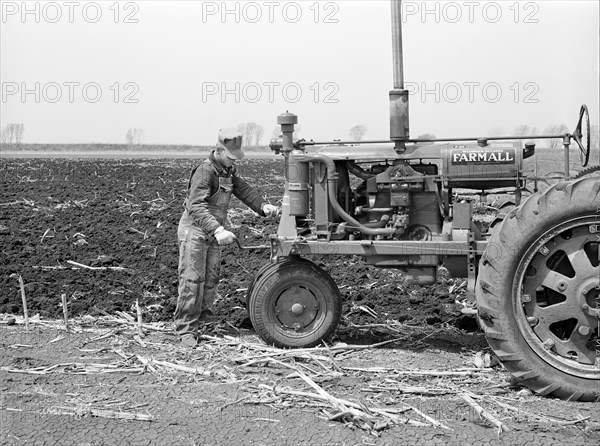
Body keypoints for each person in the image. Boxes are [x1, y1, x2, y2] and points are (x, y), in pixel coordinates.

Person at [174, 127, 279, 347]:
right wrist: (217, 230)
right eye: (230, 157)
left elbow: (243, 190)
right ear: (218, 151)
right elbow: (195, 206)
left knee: (211, 276)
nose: (233, 162)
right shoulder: (205, 171)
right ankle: (186, 329)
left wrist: (263, 206)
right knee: (192, 279)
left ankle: (203, 315)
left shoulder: (227, 171)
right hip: (195, 230)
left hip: (212, 231)